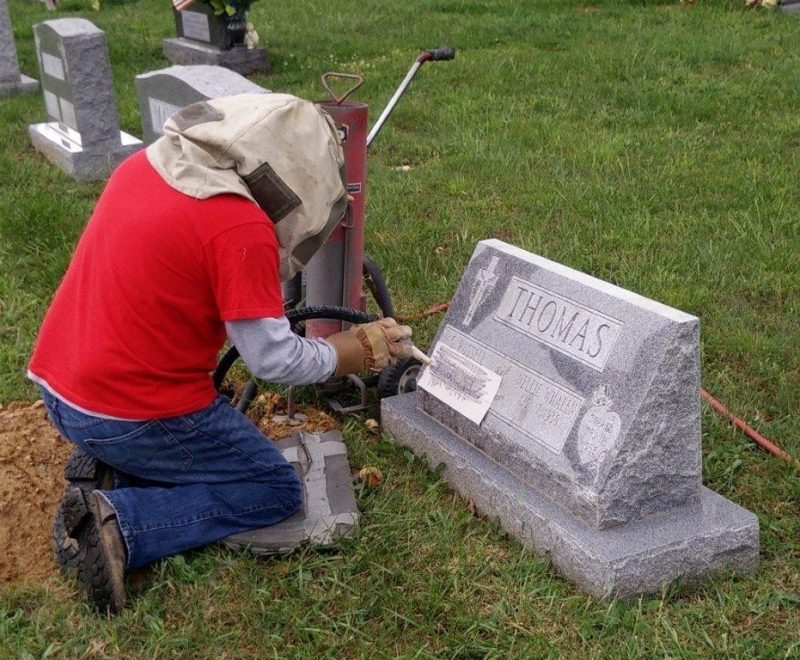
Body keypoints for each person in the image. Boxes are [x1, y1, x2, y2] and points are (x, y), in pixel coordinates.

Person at [29, 93, 426, 615]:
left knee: (185, 443)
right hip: (131, 413)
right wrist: (344, 353)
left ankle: (114, 468)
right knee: (271, 488)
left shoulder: (147, 166)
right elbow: (271, 359)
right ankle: (119, 523)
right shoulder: (237, 226)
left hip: (60, 391)